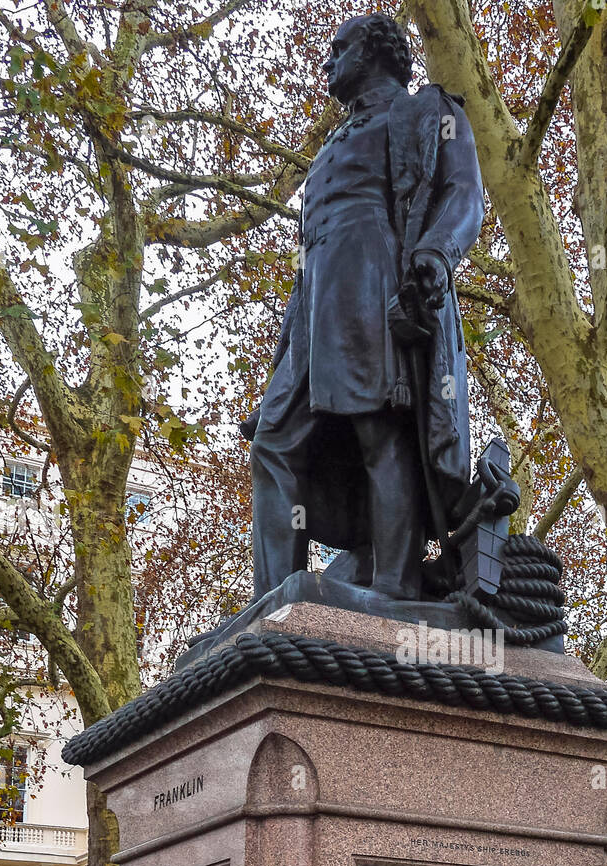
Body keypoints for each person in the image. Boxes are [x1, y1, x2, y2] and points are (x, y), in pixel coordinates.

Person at [243, 13, 485, 601]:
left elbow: (463, 194)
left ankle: (393, 586)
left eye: (338, 48)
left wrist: (433, 253)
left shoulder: (427, 111)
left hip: (375, 276)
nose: (327, 62)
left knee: (380, 429)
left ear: (374, 52)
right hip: (314, 297)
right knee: (273, 439)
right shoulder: (334, 138)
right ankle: (276, 599)